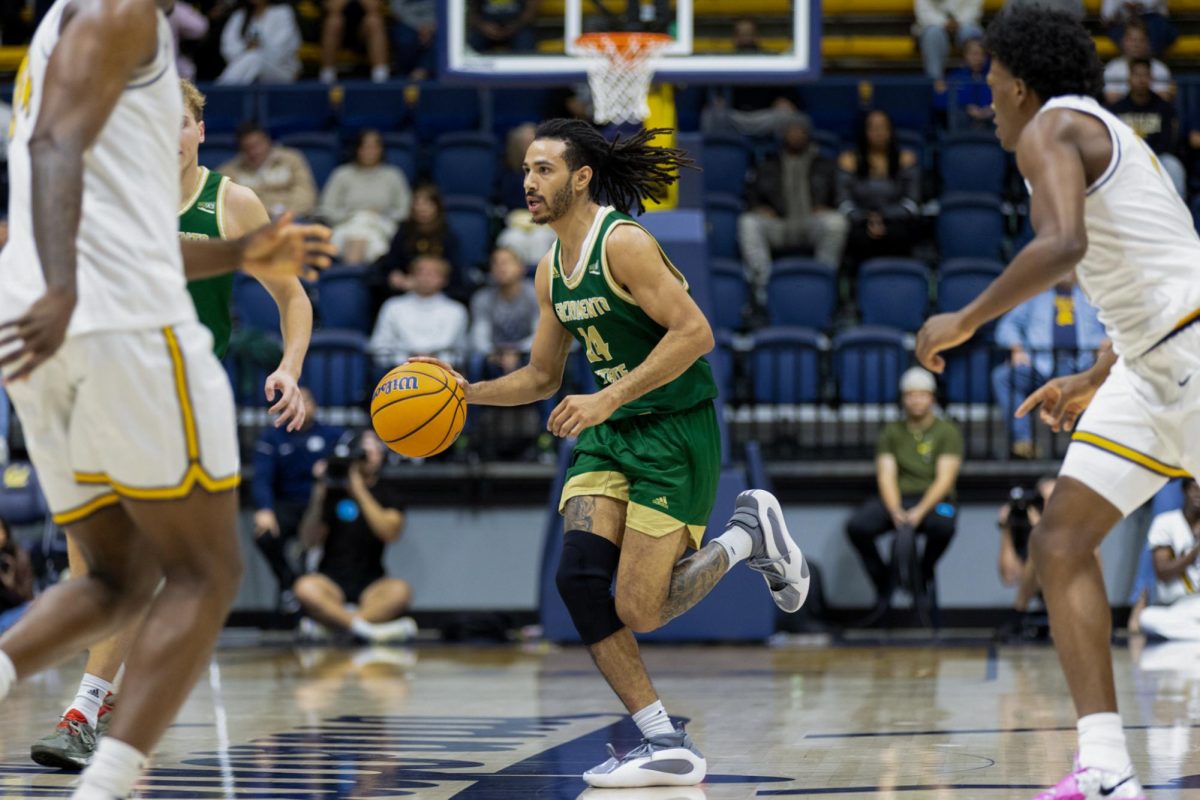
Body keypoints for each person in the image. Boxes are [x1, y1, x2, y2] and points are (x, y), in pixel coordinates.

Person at [411, 118, 810, 788]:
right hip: (612, 432)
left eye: (544, 170)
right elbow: (541, 376)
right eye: (527, 171)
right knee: (577, 580)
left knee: (642, 610)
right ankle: (661, 741)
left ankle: (746, 536)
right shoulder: (548, 273)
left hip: (673, 433)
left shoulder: (623, 244)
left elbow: (697, 333)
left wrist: (606, 398)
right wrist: (464, 393)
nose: (529, 183)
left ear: (581, 177)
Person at [0, 1, 333, 798]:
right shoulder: (121, 13)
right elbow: (54, 149)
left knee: (112, 580)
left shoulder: (54, 33)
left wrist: (248, 252)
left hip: (47, 338)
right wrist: (67, 284)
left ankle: (81, 718)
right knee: (204, 573)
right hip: (122, 332)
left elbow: (123, 223)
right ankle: (106, 774)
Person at [915, 8, 1200, 798]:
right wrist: (1091, 376)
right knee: (1060, 542)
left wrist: (963, 319)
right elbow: (1139, 271)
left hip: (1189, 359)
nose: (990, 97)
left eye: (994, 80)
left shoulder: (1051, 128)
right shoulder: (1093, 129)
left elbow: (1064, 245)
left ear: (1021, 81)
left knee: (1062, 545)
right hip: (1148, 367)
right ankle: (1105, 768)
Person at [845, 367, 963, 622]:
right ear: (903, 398)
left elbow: (945, 479)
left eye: (922, 394)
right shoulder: (892, 432)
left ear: (932, 397)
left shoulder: (947, 432)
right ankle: (886, 580)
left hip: (936, 501)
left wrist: (919, 513)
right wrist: (895, 510)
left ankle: (922, 572)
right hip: (900, 497)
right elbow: (885, 475)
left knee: (946, 525)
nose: (917, 400)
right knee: (858, 527)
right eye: (911, 395)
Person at [295, 430, 416, 642]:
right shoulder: (332, 492)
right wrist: (318, 494)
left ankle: (339, 627)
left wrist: (359, 490)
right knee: (304, 588)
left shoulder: (388, 493)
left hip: (372, 582)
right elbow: (308, 541)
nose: (369, 455)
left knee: (401, 591)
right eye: (363, 450)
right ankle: (367, 630)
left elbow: (390, 533)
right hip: (331, 581)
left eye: (375, 449)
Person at [737, 115, 848, 309]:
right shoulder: (769, 164)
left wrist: (829, 206)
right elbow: (751, 193)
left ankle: (823, 281)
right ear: (783, 134)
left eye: (800, 130)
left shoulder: (824, 164)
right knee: (748, 222)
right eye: (791, 130)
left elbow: (840, 193)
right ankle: (763, 287)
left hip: (812, 221)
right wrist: (759, 208)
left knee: (836, 223)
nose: (796, 135)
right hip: (781, 223)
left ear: (808, 134)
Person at [992, 274, 1106, 458]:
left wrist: (1106, 346)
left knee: (1106, 376)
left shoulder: (1092, 297)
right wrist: (1017, 348)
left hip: (1081, 366)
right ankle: (1023, 441)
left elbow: (1111, 329)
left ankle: (1090, 443)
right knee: (1003, 377)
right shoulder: (1035, 296)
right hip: (1039, 364)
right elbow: (1007, 326)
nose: (1067, 272)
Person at [252, 387, 343, 612]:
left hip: (324, 504)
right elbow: (261, 476)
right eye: (296, 401)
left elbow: (353, 455)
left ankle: (338, 594)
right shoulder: (273, 436)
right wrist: (265, 508)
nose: (303, 406)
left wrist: (331, 466)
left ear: (314, 405)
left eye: (307, 401)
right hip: (289, 503)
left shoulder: (331, 434)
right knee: (265, 535)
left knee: (348, 530)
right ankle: (289, 582)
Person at [837, 109, 922, 275]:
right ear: (864, 131)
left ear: (890, 131)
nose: (878, 132)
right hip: (860, 221)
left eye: (882, 127)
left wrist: (883, 216)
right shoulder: (849, 161)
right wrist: (865, 217)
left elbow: (912, 202)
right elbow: (843, 202)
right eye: (872, 128)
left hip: (896, 219)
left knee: (900, 233)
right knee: (857, 237)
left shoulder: (906, 159)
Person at [318, 129, 411, 264]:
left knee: (368, 237)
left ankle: (349, 274)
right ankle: (357, 274)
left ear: (381, 150)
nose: (369, 151)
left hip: (381, 225)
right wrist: (353, 215)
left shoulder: (393, 175)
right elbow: (326, 208)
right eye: (365, 147)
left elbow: (405, 210)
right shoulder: (342, 174)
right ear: (357, 149)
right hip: (347, 224)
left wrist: (382, 215)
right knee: (358, 232)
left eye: (374, 147)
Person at [699, 19, 802, 138]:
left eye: (749, 34)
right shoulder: (724, 62)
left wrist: (784, 99)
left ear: (757, 37)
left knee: (792, 117)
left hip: (766, 115)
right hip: (733, 115)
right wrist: (715, 101)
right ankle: (718, 154)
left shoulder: (772, 60)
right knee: (709, 116)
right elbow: (710, 92)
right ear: (735, 38)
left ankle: (779, 156)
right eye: (742, 35)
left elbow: (788, 90)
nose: (746, 39)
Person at [369, 255, 468, 370]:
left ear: (444, 280)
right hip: (398, 371)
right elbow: (378, 347)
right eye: (421, 272)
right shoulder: (392, 306)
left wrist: (434, 360)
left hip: (444, 372)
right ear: (411, 276)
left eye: (433, 274)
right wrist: (405, 358)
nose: (426, 278)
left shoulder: (456, 310)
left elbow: (461, 353)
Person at [370, 183, 459, 309]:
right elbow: (391, 264)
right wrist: (397, 277)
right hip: (405, 290)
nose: (421, 208)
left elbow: (453, 271)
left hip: (439, 293)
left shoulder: (448, 236)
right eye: (417, 203)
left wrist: (428, 282)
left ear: (437, 207)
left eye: (427, 204)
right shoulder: (403, 232)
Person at [1133, 478, 1200, 640]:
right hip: (1177, 606)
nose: (1198, 494)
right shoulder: (1166, 522)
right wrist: (1195, 551)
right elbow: (1163, 572)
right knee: (1147, 617)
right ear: (1184, 491)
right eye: (1194, 489)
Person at [1108, 58, 1185, 197]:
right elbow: (1113, 141)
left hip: (1157, 157)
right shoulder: (1117, 109)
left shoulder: (1164, 107)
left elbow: (1168, 142)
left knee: (1173, 166)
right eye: (1137, 75)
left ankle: (1179, 214)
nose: (1141, 79)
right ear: (1129, 78)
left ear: (1151, 78)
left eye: (1145, 75)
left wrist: (1147, 159)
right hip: (1126, 158)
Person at [219, 122, 317, 219]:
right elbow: (225, 204)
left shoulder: (292, 159)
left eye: (257, 145)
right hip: (252, 224)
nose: (254, 152)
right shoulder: (230, 171)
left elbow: (306, 196)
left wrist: (283, 213)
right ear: (241, 150)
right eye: (248, 148)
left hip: (292, 219)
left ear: (268, 141)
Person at [469, 247, 538, 378]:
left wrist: (516, 351)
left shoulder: (535, 293)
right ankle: (473, 398)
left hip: (528, 350)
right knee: (475, 360)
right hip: (495, 352)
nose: (501, 268)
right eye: (496, 263)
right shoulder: (482, 298)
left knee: (545, 358)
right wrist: (495, 353)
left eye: (507, 262)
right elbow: (479, 338)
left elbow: (540, 334)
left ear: (521, 268)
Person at [216, 0, 301, 85]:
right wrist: (246, 48)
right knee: (252, 58)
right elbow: (227, 48)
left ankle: (218, 91)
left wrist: (259, 47)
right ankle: (220, 91)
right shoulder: (240, 15)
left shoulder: (282, 12)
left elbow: (284, 50)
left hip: (282, 71)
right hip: (248, 69)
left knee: (255, 59)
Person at [319, 0, 389, 84]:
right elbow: (333, 7)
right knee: (333, 22)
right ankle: (327, 74)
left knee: (374, 20)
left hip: (363, 31)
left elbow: (373, 6)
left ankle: (380, 75)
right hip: (341, 31)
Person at [1102, 22, 1174, 105]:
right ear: (1123, 42)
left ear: (1148, 43)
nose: (1136, 44)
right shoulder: (1112, 68)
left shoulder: (1160, 68)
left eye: (1141, 40)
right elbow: (1111, 98)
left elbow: (1164, 98)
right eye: (1132, 40)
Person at [915, 0, 984, 82]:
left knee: (972, 34)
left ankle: (977, 79)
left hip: (966, 23)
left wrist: (958, 22)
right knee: (933, 34)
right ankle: (936, 81)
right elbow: (923, 11)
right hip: (933, 25)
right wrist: (944, 22)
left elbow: (974, 9)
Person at [938, 36, 994, 130]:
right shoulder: (954, 77)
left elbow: (1007, 99)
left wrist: (992, 108)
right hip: (963, 127)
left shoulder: (995, 78)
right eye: (974, 54)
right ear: (965, 55)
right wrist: (966, 107)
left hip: (991, 127)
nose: (978, 58)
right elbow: (938, 101)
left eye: (982, 54)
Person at [1102, 0, 1175, 58]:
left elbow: (1154, 4)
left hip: (1152, 20)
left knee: (1160, 28)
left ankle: (1147, 64)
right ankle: (1130, 64)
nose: (1136, 44)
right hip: (1123, 21)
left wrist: (1138, 5)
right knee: (1116, 30)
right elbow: (1107, 16)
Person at [0, 516, 34, 635]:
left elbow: (27, 596)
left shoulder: (17, 556)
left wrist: (9, 582)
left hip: (17, 609)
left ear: (6, 532)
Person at [467, 0, 536, 54]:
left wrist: (513, 27)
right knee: (472, 45)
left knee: (525, 45)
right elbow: (470, 12)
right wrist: (483, 26)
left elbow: (530, 11)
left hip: (517, 28)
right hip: (485, 29)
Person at [390, 0, 436, 80]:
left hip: (437, 23)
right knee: (406, 40)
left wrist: (432, 25)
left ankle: (423, 70)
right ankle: (404, 76)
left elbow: (449, 8)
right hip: (408, 22)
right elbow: (396, 8)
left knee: (446, 37)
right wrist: (419, 26)